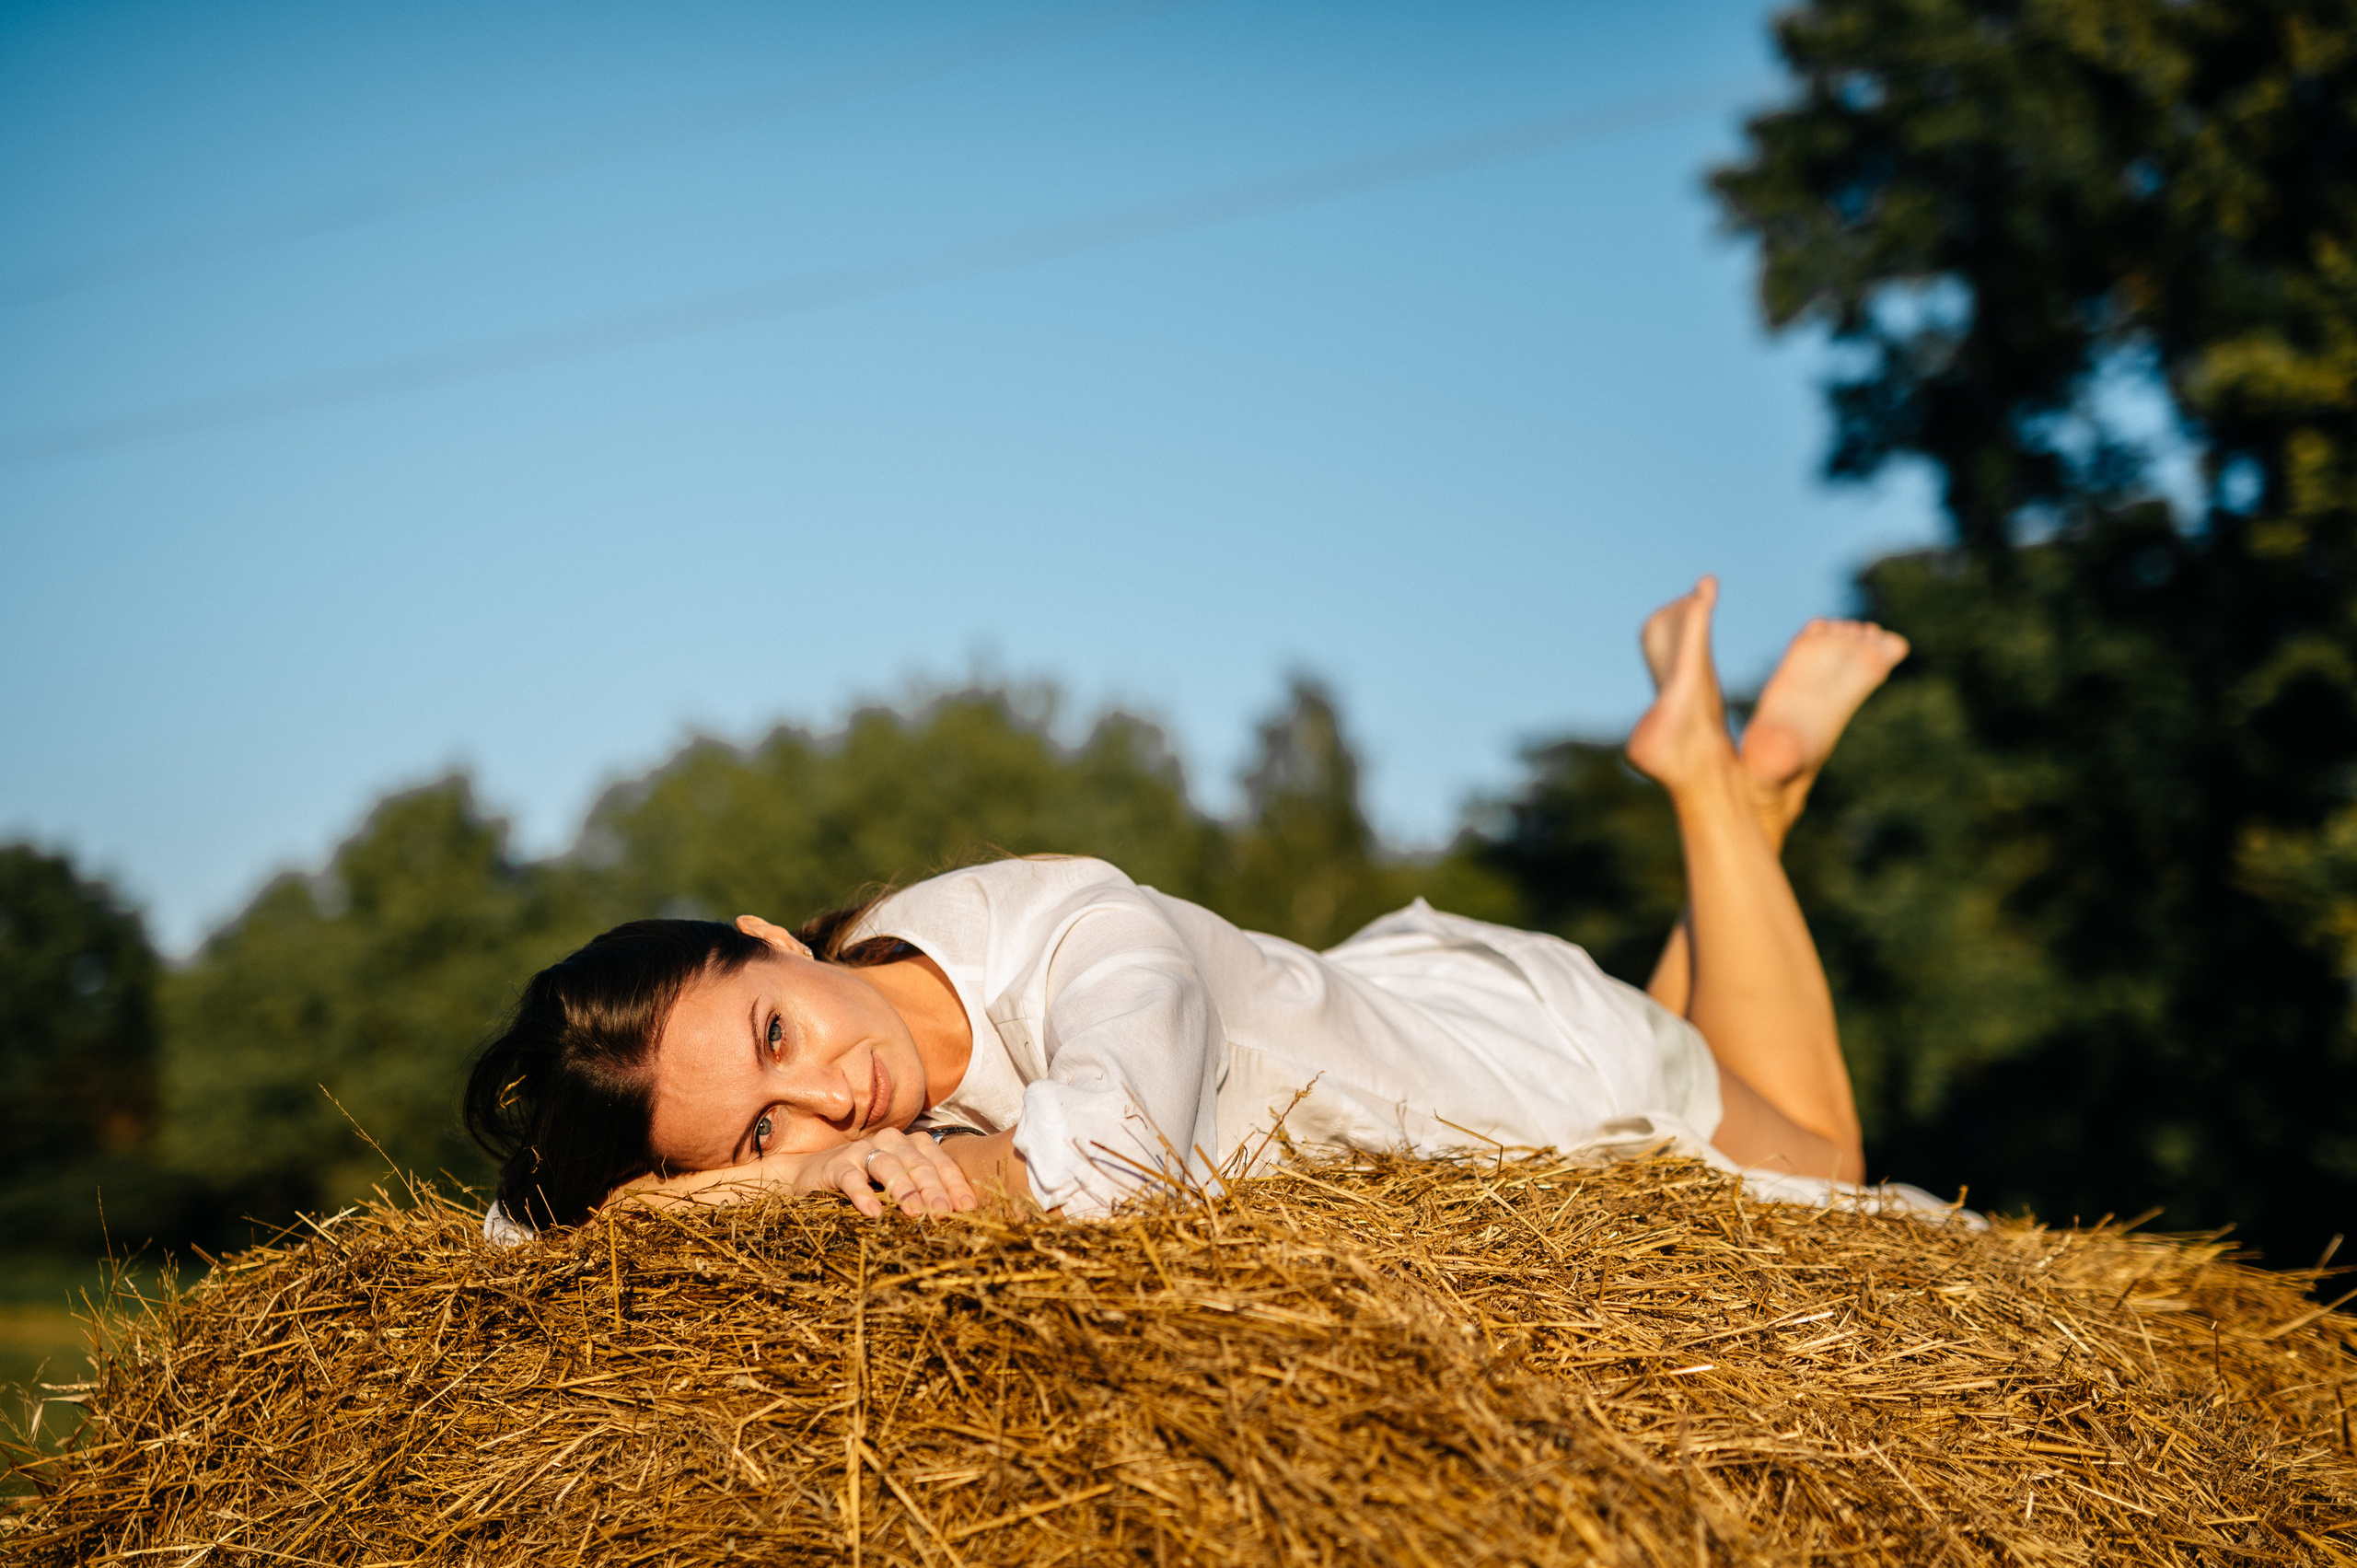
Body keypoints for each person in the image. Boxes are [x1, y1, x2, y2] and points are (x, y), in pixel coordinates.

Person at [465, 579, 1908, 1236]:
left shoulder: (1075, 932)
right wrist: (757, 1179)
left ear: (775, 939)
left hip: (1525, 1072)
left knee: (1827, 1170)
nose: (831, 1101)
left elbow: (1107, 1156)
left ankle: (1713, 789)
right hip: (1398, 1009)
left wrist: (770, 1181)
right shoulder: (865, 1038)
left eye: (776, 1032)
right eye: (762, 1122)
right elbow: (519, 1238)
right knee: (1722, 1050)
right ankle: (1763, 795)